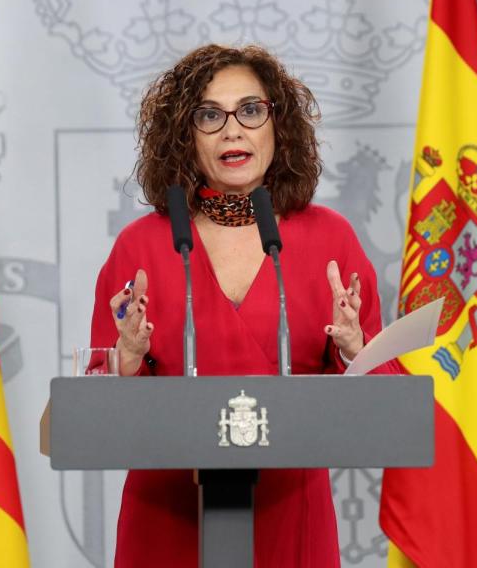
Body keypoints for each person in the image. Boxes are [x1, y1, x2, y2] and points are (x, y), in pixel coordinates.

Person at [90, 44, 400, 567]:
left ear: (278, 126)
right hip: (168, 518)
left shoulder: (331, 239)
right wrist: (127, 359)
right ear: (185, 136)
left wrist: (353, 350)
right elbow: (96, 410)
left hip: (289, 515)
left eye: (251, 110)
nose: (232, 130)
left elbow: (385, 406)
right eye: (210, 115)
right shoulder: (141, 247)